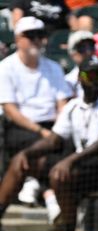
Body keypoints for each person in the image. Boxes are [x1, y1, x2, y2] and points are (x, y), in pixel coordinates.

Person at [0, 58, 98, 231]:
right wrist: (27, 153)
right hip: (82, 163)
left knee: (60, 173)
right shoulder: (73, 106)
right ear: (79, 78)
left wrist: (70, 161)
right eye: (89, 75)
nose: (94, 81)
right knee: (21, 160)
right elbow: (54, 139)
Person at [0, 17, 72, 214]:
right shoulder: (6, 67)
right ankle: (48, 195)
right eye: (30, 36)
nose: (36, 40)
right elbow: (10, 109)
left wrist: (58, 129)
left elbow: (62, 104)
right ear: (18, 39)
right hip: (22, 128)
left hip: (52, 127)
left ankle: (36, 185)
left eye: (40, 35)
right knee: (40, 151)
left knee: (56, 149)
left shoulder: (54, 67)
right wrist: (41, 131)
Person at [64, 30, 97, 96]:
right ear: (72, 53)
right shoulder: (68, 81)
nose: (88, 52)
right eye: (82, 48)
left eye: (91, 47)